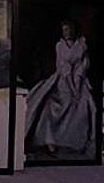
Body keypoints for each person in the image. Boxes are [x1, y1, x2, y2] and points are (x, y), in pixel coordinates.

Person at [25, 21, 96, 160]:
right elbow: (64, 68)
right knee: (49, 105)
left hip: (79, 80)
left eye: (69, 29)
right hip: (62, 81)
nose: (67, 32)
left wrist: (77, 86)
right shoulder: (60, 46)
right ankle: (49, 140)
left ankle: (78, 141)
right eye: (64, 30)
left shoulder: (81, 45)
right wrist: (71, 87)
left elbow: (82, 65)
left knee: (88, 106)